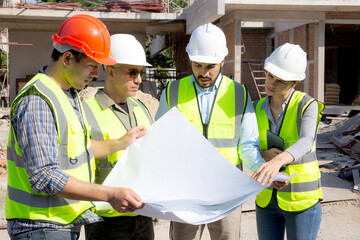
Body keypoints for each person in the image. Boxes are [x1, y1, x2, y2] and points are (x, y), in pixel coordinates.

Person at [6, 15, 146, 240]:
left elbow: (76, 150)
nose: (96, 74)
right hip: (41, 226)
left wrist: (121, 142)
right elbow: (44, 176)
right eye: (92, 65)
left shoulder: (68, 95)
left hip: (61, 223)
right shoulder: (38, 100)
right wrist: (108, 194)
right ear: (68, 58)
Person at [156, 23, 268, 240]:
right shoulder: (172, 92)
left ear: (222, 61)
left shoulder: (239, 94)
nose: (203, 73)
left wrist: (262, 170)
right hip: (186, 193)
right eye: (197, 65)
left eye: (210, 66)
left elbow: (247, 145)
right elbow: (160, 143)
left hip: (226, 193)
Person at [82, 34, 154, 240]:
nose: (138, 79)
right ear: (111, 72)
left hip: (144, 213)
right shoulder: (86, 111)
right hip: (106, 218)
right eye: (132, 72)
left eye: (141, 72)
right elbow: (77, 156)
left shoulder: (142, 108)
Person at [251, 43, 324, 240]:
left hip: (302, 202)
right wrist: (263, 155)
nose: (271, 84)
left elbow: (307, 140)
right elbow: (248, 145)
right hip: (266, 198)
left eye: (280, 81)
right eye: (270, 76)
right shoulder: (255, 108)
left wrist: (277, 161)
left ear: (294, 83)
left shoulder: (306, 105)